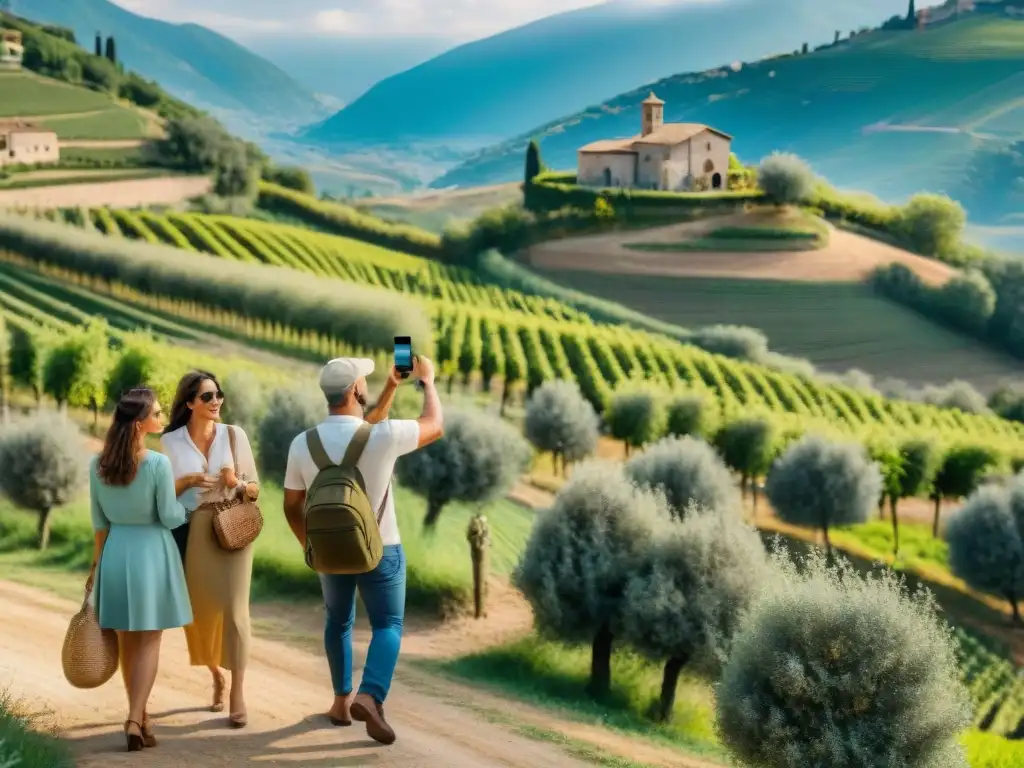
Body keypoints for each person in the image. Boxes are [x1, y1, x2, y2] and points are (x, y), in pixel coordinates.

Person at [283, 355, 443, 746]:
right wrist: (427, 382)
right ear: (356, 391)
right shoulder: (383, 436)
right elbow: (434, 426)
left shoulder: (302, 444)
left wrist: (311, 546)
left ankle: (341, 703)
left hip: (329, 551)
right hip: (382, 549)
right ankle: (370, 695)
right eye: (365, 383)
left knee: (338, 623)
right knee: (388, 625)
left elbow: (291, 504)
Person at [86, 388, 192, 752]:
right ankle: (134, 718)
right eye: (157, 414)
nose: (161, 419)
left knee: (128, 640)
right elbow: (168, 515)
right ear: (139, 424)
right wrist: (187, 508)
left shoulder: (96, 465)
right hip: (151, 553)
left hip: (115, 554)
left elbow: (99, 524)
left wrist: (97, 567)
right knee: (149, 639)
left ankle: (141, 717)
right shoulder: (158, 464)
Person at [160, 370, 259, 729]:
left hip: (233, 526)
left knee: (235, 613)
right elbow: (160, 496)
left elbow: (255, 490)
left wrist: (238, 482)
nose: (215, 401)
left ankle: (237, 693)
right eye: (206, 397)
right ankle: (216, 673)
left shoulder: (235, 436)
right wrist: (185, 482)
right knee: (195, 615)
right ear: (189, 403)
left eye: (218, 394)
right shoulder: (169, 442)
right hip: (190, 528)